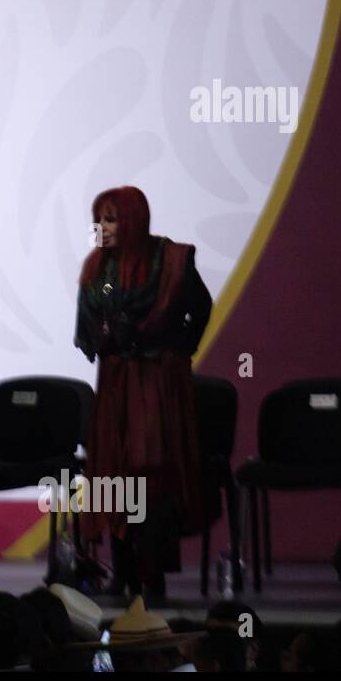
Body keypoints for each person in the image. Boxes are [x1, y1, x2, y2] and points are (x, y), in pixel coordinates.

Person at [73, 186, 212, 600]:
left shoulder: (168, 260)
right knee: (113, 473)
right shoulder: (97, 269)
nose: (102, 228)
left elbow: (200, 308)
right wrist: (106, 337)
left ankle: (153, 577)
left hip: (155, 383)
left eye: (111, 219)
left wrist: (178, 350)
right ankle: (122, 574)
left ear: (133, 220)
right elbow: (89, 328)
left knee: (148, 475)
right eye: (99, 220)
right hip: (116, 382)